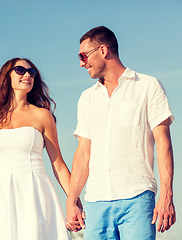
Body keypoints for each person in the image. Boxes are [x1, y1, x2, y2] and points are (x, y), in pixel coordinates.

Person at [66, 26, 176, 240]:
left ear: (103, 50)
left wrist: (167, 195)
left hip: (137, 198)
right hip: (96, 203)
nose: (81, 63)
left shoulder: (148, 86)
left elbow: (164, 143)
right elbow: (83, 153)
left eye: (84, 55)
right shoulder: (87, 98)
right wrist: (72, 201)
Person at [0, 57, 73, 240]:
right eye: (20, 70)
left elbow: (59, 165)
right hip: (4, 196)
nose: (28, 75)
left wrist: (74, 202)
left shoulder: (42, 115)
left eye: (32, 72)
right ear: (6, 77)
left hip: (35, 192)